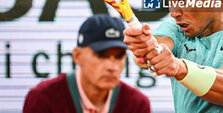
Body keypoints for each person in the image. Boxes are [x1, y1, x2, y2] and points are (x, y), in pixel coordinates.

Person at [23, 14, 151, 113]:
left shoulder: (137, 104)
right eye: (101, 55)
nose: (112, 67)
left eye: (119, 56)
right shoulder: (43, 99)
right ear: (77, 56)